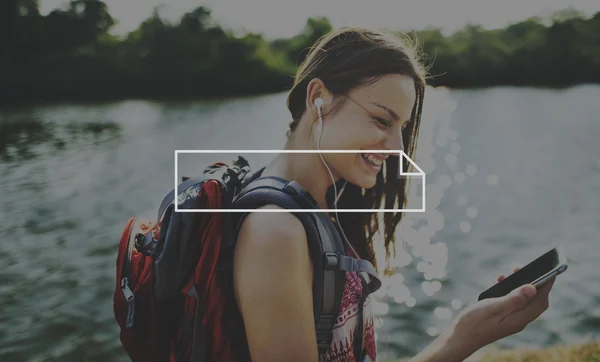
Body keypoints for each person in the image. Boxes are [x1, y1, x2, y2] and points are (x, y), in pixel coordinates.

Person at [232, 27, 555, 362]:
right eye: (381, 120)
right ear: (319, 98)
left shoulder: (323, 203)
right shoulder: (275, 232)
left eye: (401, 128)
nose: (398, 148)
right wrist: (463, 338)